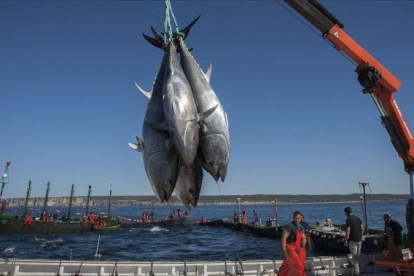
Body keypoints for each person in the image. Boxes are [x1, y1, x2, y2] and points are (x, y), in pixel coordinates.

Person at [278, 211, 306, 276]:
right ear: (293, 218)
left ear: (300, 218)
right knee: (298, 265)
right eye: (295, 218)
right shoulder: (290, 226)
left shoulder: (300, 227)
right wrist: (284, 250)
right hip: (290, 249)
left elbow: (303, 237)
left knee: (286, 267)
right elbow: (283, 238)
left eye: (298, 218)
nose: (297, 220)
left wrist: (303, 243)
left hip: (297, 249)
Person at [344, 207, 364, 276]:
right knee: (358, 255)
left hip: (353, 240)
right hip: (359, 240)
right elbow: (362, 229)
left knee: (354, 256)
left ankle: (356, 272)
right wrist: (361, 236)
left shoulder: (348, 219)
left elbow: (348, 230)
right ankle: (358, 269)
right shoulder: (358, 218)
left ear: (346, 213)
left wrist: (346, 239)